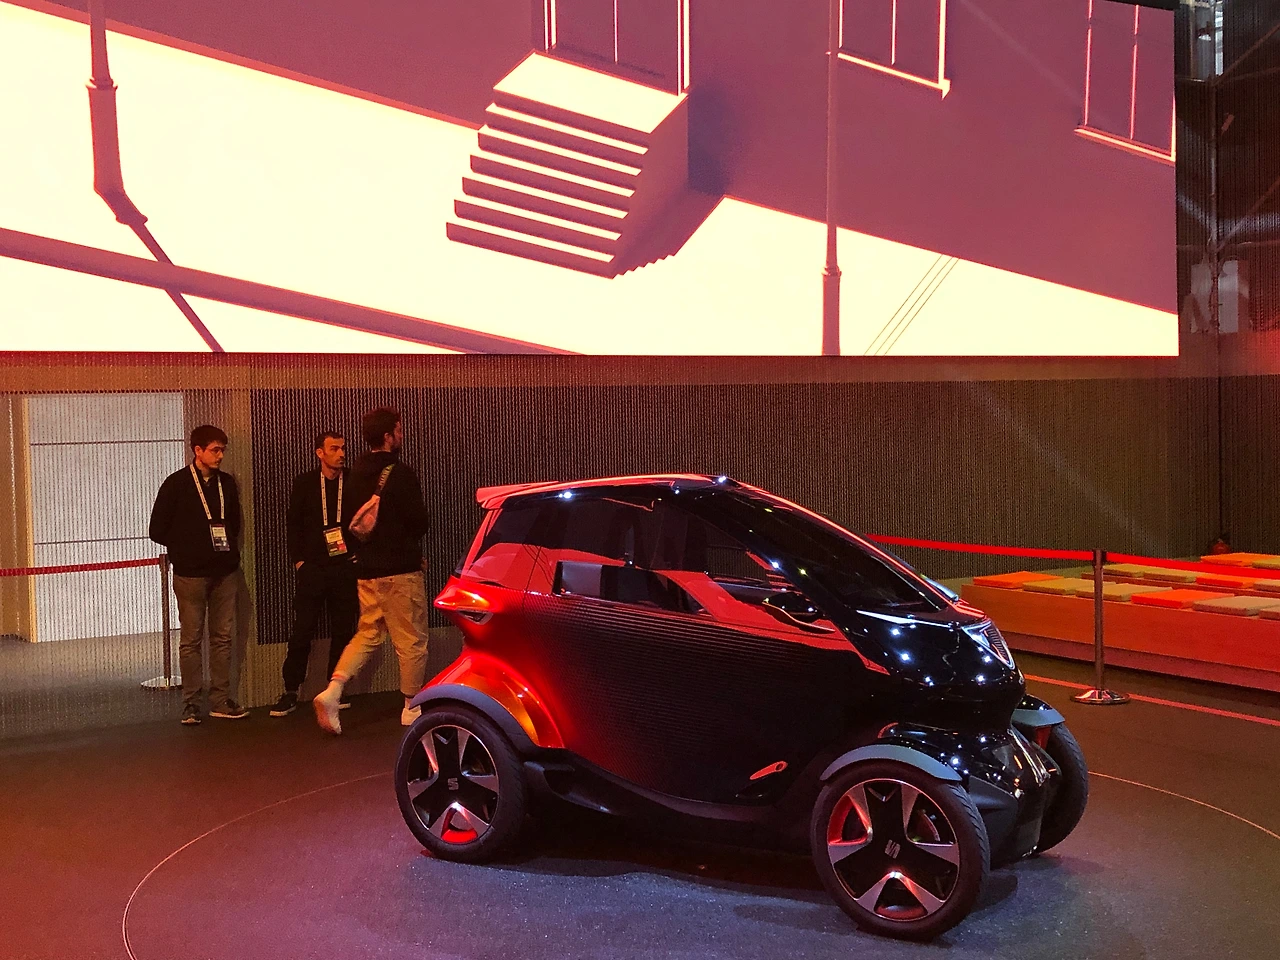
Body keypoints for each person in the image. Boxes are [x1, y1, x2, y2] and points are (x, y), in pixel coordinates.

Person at [313, 408, 430, 735]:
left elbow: (350, 525)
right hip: (400, 571)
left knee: (368, 633)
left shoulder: (354, 476)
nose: (401, 435)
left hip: (366, 571)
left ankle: (333, 690)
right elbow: (419, 522)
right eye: (399, 430)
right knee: (412, 640)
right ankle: (411, 706)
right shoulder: (401, 473)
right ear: (388, 436)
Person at [148, 424, 249, 725]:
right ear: (198, 450)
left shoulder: (226, 483)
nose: (220, 456)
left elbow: (233, 524)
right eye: (215, 450)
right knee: (191, 639)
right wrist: (187, 547)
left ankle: (220, 699)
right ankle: (191, 703)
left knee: (222, 638)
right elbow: (157, 530)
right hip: (190, 575)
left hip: (225, 572)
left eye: (222, 450)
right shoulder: (176, 484)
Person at [269, 431, 359, 717]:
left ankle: (335, 690)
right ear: (320, 453)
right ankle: (290, 690)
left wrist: (357, 556)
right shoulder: (305, 483)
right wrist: (299, 562)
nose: (341, 454)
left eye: (343, 448)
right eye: (334, 448)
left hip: (344, 567)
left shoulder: (353, 481)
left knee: (344, 630)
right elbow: (293, 524)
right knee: (302, 631)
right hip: (313, 569)